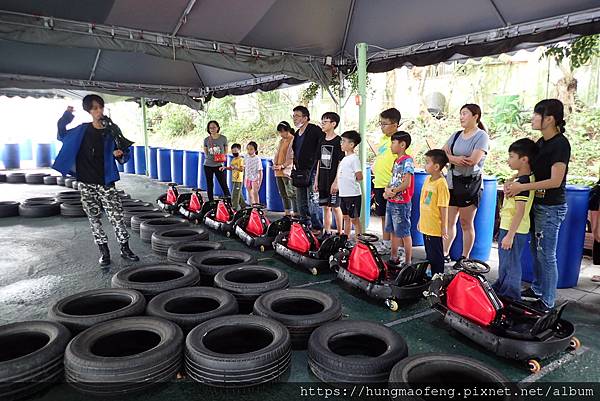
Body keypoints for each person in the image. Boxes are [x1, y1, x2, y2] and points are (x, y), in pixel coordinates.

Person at [53, 95, 139, 267]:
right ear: (89, 111)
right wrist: (66, 116)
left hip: (106, 182)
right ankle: (104, 252)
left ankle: (125, 248)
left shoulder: (112, 131)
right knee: (94, 218)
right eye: (94, 108)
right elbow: (62, 133)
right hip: (86, 182)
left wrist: (120, 154)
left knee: (117, 217)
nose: (98, 111)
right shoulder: (81, 130)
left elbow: (125, 151)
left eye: (100, 107)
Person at [505, 99, 570, 312]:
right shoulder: (541, 143)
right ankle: (539, 289)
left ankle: (548, 300)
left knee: (546, 255)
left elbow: (555, 181)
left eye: (536, 114)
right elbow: (528, 169)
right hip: (537, 204)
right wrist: (514, 179)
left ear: (549, 119)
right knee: (536, 252)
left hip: (551, 207)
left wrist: (523, 188)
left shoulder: (560, 144)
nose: (532, 118)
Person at [442, 104, 490, 264]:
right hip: (452, 184)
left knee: (466, 223)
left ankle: (464, 257)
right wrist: (455, 159)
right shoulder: (456, 135)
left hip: (470, 185)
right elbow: (442, 154)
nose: (461, 117)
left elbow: (472, 161)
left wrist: (452, 158)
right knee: (449, 221)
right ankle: (444, 253)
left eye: (465, 114)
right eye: (460, 113)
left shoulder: (481, 136)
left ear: (476, 116)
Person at [492, 139, 537, 301]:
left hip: (515, 229)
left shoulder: (523, 184)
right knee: (505, 262)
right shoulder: (520, 180)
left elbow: (520, 211)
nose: (508, 160)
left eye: (511, 156)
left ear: (524, 159)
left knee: (511, 264)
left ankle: (511, 296)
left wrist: (510, 235)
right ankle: (502, 287)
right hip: (509, 227)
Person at [372, 108, 402, 254]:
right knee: (383, 216)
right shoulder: (383, 140)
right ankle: (386, 244)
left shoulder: (401, 142)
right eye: (381, 123)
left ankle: (399, 248)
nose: (382, 126)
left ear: (395, 124)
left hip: (392, 187)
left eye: (385, 124)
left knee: (396, 219)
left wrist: (394, 186)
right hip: (379, 184)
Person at [291, 106, 325, 229]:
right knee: (301, 201)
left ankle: (317, 226)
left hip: (313, 170)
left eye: (297, 116)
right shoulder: (297, 133)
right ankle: (305, 223)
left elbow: (322, 148)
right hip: (299, 171)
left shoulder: (314, 130)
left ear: (305, 118)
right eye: (293, 116)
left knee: (313, 201)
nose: (294, 118)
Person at [384, 131, 414, 266]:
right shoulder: (396, 161)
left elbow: (406, 183)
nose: (391, 146)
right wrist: (387, 191)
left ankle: (408, 261)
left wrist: (393, 191)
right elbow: (393, 180)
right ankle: (393, 257)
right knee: (393, 231)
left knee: (404, 232)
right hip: (392, 201)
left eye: (393, 143)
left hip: (401, 202)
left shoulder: (408, 161)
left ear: (402, 145)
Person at [418, 149, 450, 276]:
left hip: (435, 227)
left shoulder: (441, 184)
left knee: (436, 254)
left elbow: (443, 207)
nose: (424, 165)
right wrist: (420, 219)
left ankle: (438, 277)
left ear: (436, 167)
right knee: (429, 253)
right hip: (426, 224)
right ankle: (431, 274)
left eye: (427, 162)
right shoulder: (427, 180)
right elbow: (423, 202)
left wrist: (444, 227)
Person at [314, 112, 344, 238]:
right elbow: (319, 161)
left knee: (335, 207)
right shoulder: (321, 140)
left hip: (334, 179)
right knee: (325, 207)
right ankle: (326, 231)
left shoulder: (339, 141)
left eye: (325, 121)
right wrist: (316, 180)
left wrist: (336, 181)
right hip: (322, 179)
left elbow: (340, 162)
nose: (322, 123)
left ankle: (340, 232)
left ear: (333, 124)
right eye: (322, 121)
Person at [332, 130, 363, 239]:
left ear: (351, 145)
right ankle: (346, 238)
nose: (341, 144)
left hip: (353, 195)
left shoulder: (354, 159)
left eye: (344, 141)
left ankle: (359, 241)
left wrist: (351, 179)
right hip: (343, 194)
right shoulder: (344, 159)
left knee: (354, 218)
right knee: (346, 217)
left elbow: (360, 176)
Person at [203, 120, 230, 201]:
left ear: (218, 128)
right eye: (210, 128)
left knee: (223, 184)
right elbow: (206, 152)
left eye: (214, 127)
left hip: (219, 165)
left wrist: (221, 159)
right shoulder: (206, 139)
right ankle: (211, 201)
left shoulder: (223, 138)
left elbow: (225, 151)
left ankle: (229, 202)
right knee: (209, 184)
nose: (212, 129)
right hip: (208, 165)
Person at [273, 122, 297, 216]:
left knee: (291, 193)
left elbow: (292, 157)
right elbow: (277, 153)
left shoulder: (293, 140)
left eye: (282, 132)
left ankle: (295, 213)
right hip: (278, 171)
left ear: (287, 130)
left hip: (287, 171)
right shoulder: (281, 141)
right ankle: (287, 213)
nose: (281, 134)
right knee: (283, 193)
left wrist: (282, 166)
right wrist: (275, 164)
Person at [222, 143, 247, 210]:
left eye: (236, 151)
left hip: (239, 179)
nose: (234, 153)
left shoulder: (241, 160)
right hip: (234, 179)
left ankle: (235, 208)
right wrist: (225, 168)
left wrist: (236, 167)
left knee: (234, 195)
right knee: (239, 193)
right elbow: (231, 168)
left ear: (239, 151)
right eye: (233, 152)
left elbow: (241, 169)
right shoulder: (233, 159)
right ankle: (243, 205)